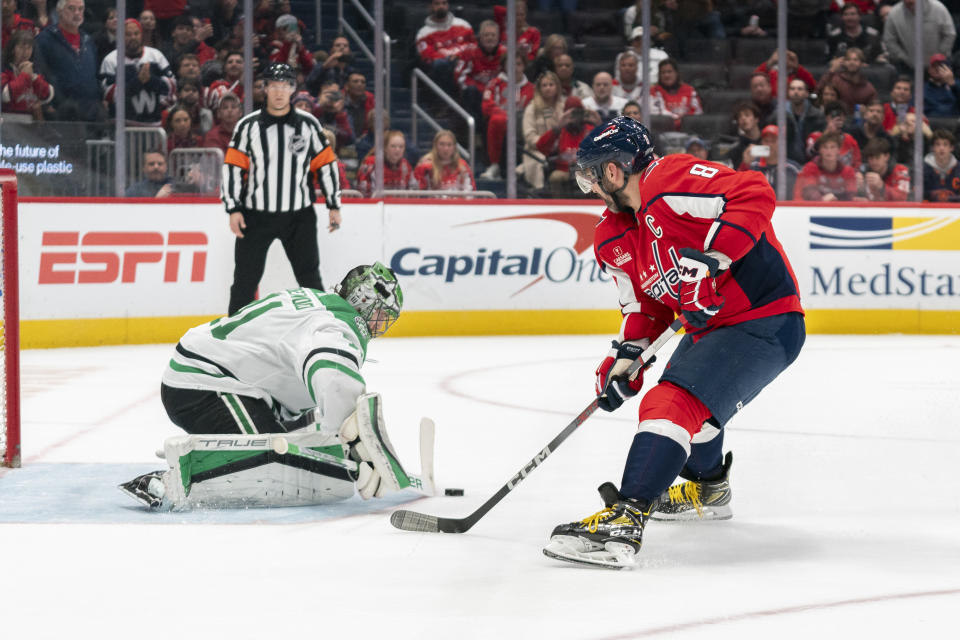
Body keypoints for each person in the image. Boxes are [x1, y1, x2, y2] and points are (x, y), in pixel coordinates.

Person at [542, 117, 805, 569]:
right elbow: (645, 308)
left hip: (765, 316)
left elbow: (753, 192)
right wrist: (627, 356)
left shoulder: (668, 181)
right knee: (693, 413)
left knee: (670, 403)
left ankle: (625, 520)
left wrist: (711, 260)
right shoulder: (612, 235)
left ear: (613, 170)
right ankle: (707, 488)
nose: (589, 187)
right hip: (712, 326)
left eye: (590, 175)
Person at [118, 265, 411, 511]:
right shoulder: (338, 325)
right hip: (207, 384)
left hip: (219, 378)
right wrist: (356, 446)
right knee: (277, 465)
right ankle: (167, 484)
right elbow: (333, 379)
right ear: (365, 305)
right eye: (381, 316)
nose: (380, 324)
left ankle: (215, 448)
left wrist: (339, 444)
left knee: (301, 438)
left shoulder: (317, 300)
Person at [221, 63, 342, 315]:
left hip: (299, 216)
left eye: (284, 86)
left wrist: (333, 205)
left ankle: (322, 329)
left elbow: (326, 164)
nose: (279, 92)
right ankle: (232, 336)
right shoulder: (248, 126)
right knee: (244, 281)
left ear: (292, 89)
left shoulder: (308, 125)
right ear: (265, 89)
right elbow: (232, 168)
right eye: (274, 86)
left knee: (310, 279)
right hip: (255, 216)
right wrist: (233, 208)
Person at [34, 0, 102, 121]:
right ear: (59, 11)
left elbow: (95, 76)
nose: (77, 13)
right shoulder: (45, 39)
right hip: (60, 114)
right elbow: (40, 73)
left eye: (80, 9)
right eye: (71, 8)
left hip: (90, 114)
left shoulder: (88, 41)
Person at [100, 18, 176, 126]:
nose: (133, 37)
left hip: (153, 125)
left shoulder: (156, 56)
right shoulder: (111, 60)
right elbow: (109, 95)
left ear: (141, 35)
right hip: (122, 127)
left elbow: (171, 87)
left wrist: (151, 80)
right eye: (128, 34)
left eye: (136, 33)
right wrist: (138, 82)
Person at [478, 54, 533, 180]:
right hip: (500, 125)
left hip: (523, 125)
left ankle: (525, 166)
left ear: (524, 66)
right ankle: (494, 165)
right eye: (511, 64)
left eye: (518, 64)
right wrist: (506, 116)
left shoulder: (531, 88)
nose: (515, 67)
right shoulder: (494, 84)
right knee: (498, 120)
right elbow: (486, 106)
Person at [535, 95, 598, 196]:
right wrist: (558, 126)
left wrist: (599, 125)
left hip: (587, 170)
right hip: (564, 170)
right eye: (571, 114)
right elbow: (540, 147)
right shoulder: (560, 132)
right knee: (556, 177)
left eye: (577, 113)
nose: (575, 118)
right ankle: (558, 207)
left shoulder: (590, 129)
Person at [415, 0, 475, 97]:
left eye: (444, 3)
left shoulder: (463, 25)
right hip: (443, 68)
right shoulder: (423, 33)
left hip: (465, 63)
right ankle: (445, 103)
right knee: (440, 64)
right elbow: (427, 57)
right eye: (437, 4)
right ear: (430, 7)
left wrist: (459, 56)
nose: (441, 6)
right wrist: (450, 58)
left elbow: (474, 46)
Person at [882, 0, 955, 74]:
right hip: (908, 67)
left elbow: (950, 34)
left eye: (912, 3)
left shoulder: (938, 8)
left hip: (939, 64)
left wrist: (940, 55)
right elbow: (889, 40)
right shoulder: (894, 13)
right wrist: (904, 58)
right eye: (906, 2)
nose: (909, 5)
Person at [520, 70, 564, 188]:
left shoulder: (564, 106)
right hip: (536, 151)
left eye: (551, 85)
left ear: (557, 87)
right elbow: (529, 137)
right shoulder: (531, 108)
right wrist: (544, 143)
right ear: (539, 88)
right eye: (544, 85)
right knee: (540, 161)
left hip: (561, 150)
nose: (548, 88)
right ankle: (539, 192)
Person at [1, 29, 53, 122]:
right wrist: (24, 75)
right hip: (7, 124)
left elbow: (48, 95)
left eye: (29, 48)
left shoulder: (35, 69)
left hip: (31, 124)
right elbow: (5, 96)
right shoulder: (4, 70)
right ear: (13, 49)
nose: (25, 52)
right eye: (21, 47)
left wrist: (33, 77)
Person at [794, 132, 858, 201]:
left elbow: (850, 196)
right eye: (825, 147)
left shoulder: (848, 171)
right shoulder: (810, 168)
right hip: (816, 208)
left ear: (838, 150)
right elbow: (810, 191)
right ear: (820, 150)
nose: (829, 151)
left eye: (832, 147)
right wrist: (822, 201)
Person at [355, 130, 418, 196]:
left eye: (401, 147)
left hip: (400, 205)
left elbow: (414, 191)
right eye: (393, 146)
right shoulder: (371, 163)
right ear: (385, 148)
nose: (397, 150)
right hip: (375, 204)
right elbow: (363, 190)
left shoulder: (406, 165)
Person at [745, 124, 801, 198]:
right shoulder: (753, 166)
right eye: (766, 141)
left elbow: (800, 198)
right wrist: (745, 164)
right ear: (762, 143)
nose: (769, 145)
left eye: (773, 141)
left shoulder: (793, 169)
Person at [817, 47, 878, 113]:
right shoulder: (835, 79)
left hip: (858, 121)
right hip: (836, 118)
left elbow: (875, 109)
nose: (851, 62)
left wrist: (866, 110)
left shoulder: (868, 88)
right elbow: (816, 93)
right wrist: (832, 70)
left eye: (855, 60)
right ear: (844, 62)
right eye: (848, 60)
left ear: (862, 64)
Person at [806, 101, 862, 168]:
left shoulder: (850, 140)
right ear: (827, 118)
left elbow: (857, 163)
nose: (838, 118)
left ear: (844, 118)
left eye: (841, 116)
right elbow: (809, 154)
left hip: (845, 175)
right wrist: (826, 133)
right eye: (833, 115)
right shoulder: (815, 136)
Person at [649, 58, 703, 126]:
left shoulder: (690, 90)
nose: (666, 75)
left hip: (687, 132)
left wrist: (684, 122)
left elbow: (697, 114)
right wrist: (678, 119)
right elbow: (658, 114)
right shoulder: (654, 91)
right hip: (663, 131)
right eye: (663, 72)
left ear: (676, 73)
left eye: (669, 71)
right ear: (659, 75)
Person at [784, 78, 825, 164]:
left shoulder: (817, 116)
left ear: (806, 93)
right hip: (785, 163)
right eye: (792, 88)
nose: (796, 92)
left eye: (799, 89)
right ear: (788, 92)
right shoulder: (779, 116)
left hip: (812, 163)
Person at [923, 129, 960, 201]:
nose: (941, 148)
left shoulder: (959, 168)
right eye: (938, 144)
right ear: (933, 147)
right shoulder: (923, 169)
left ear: (951, 148)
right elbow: (917, 195)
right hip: (927, 210)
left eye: (945, 144)